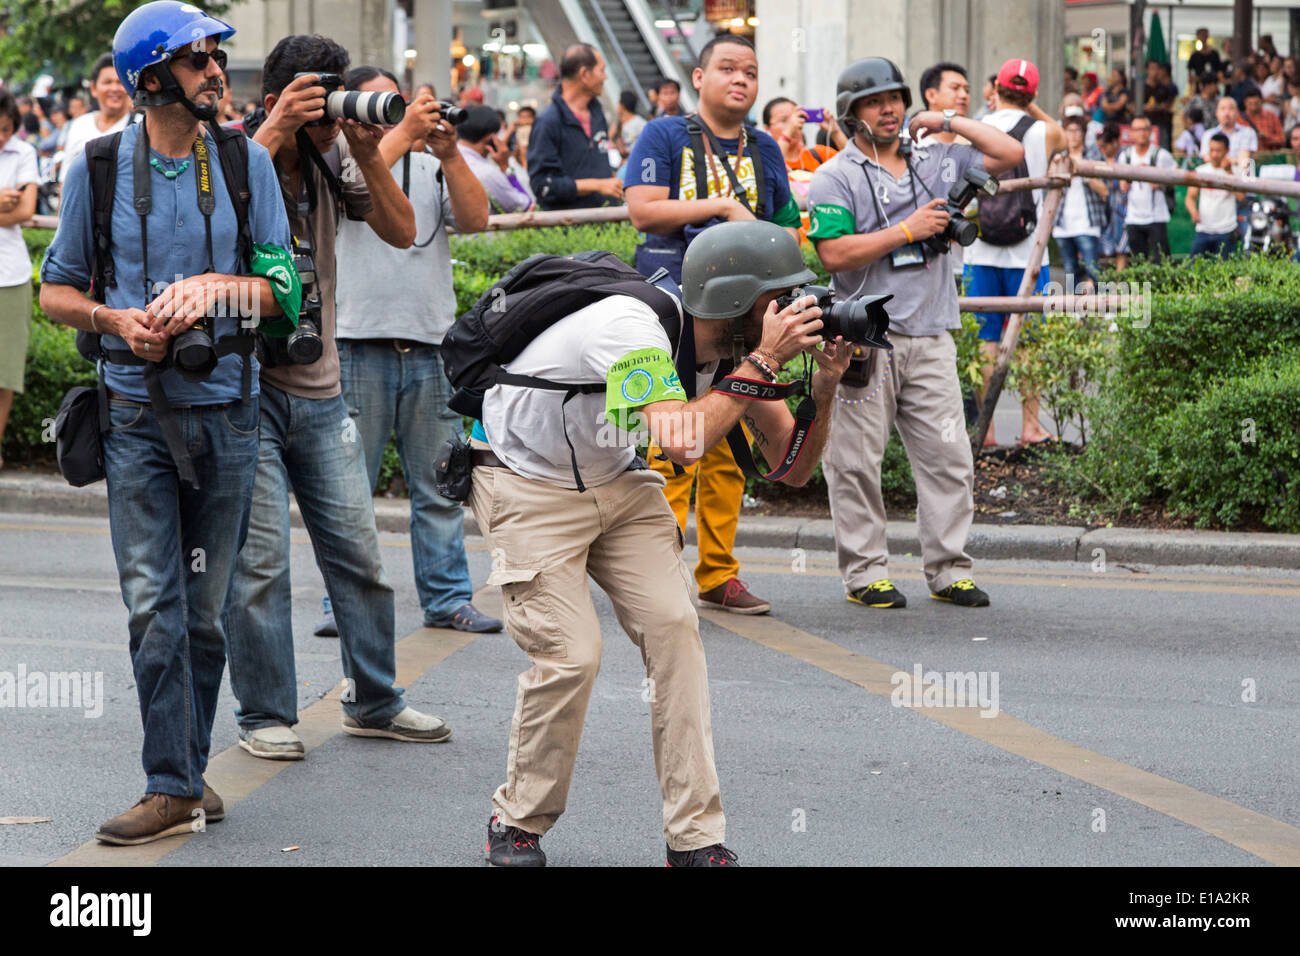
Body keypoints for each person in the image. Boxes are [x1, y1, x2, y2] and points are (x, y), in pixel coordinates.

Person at [466, 219, 853, 866]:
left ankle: (694, 839)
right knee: (572, 654)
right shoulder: (631, 327)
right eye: (778, 299)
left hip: (618, 481)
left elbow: (795, 466)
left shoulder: (734, 352)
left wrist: (824, 386)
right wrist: (765, 361)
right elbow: (680, 439)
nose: (792, 312)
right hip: (526, 484)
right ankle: (516, 820)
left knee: (676, 631)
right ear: (736, 300)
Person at [39, 1, 294, 843]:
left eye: (216, 53)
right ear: (152, 81)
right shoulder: (100, 166)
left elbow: (283, 291)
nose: (216, 70)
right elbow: (57, 291)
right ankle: (172, 780)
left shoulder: (244, 160)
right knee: (155, 605)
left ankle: (183, 775)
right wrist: (118, 323)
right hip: (136, 416)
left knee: (205, 610)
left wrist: (215, 292)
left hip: (229, 411)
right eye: (196, 60)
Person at [224, 33, 448, 762]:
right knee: (258, 568)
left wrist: (359, 141)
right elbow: (220, 220)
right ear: (275, 97)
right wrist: (277, 127)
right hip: (243, 392)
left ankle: (376, 700)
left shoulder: (335, 152)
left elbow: (402, 227)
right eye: (311, 100)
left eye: (329, 98)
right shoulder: (233, 151)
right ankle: (264, 714)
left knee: (358, 556)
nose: (323, 117)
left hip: (319, 388)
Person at [807, 57, 1021, 612]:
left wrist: (946, 120)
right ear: (850, 113)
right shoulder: (837, 175)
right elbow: (832, 252)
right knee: (855, 461)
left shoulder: (937, 158)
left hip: (931, 336)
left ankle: (949, 569)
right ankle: (865, 573)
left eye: (896, 98)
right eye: (875, 102)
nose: (889, 109)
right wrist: (905, 230)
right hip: (863, 338)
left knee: (950, 456)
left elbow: (1009, 154)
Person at [314, 68, 500, 640]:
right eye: (385, 103)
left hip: (429, 346)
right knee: (347, 492)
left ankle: (447, 598)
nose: (394, 112)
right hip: (356, 342)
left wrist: (449, 153)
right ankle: (340, 603)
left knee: (441, 485)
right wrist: (402, 132)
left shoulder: (426, 165)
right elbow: (362, 177)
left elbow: (475, 219)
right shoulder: (333, 159)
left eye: (399, 103)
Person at [625, 33, 802, 615]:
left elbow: (785, 230)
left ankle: (718, 574)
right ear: (698, 78)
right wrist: (723, 209)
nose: (740, 80)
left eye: (750, 71)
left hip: (741, 316)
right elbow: (644, 209)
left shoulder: (766, 147)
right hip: (675, 312)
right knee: (671, 444)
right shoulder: (665, 134)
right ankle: (658, 567)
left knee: (728, 443)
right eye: (726, 68)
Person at [964, 57, 1065, 447]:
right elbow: (1065, 138)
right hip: (1028, 254)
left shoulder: (977, 127)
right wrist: (1033, 107)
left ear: (995, 91)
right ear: (1033, 94)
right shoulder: (1044, 132)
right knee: (1028, 340)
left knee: (985, 340)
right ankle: (1029, 427)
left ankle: (986, 431)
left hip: (981, 250)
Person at [527, 43, 623, 210]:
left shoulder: (597, 114)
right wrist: (596, 185)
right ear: (585, 74)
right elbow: (543, 186)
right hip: (568, 230)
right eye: (602, 70)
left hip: (605, 226)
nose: (605, 77)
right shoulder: (548, 122)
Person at [0, 93, 38, 470]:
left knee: (4, 372)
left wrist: (11, 205)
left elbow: (26, 210)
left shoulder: (23, 154)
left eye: (5, 130)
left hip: (9, 274)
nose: (0, 136)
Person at [761, 95, 843, 238]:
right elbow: (772, 165)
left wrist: (835, 131)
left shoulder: (819, 154)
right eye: (783, 120)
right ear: (767, 128)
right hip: (787, 243)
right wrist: (788, 132)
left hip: (825, 240)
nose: (793, 124)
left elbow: (858, 165)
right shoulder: (763, 158)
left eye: (796, 117)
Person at [1052, 114, 1107, 292]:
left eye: (1077, 131)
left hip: (1087, 222)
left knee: (1093, 269)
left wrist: (1081, 171)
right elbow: (1049, 184)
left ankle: (1103, 312)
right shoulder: (1059, 156)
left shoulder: (1094, 155)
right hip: (1063, 223)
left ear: (1083, 133)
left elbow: (1104, 190)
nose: (1073, 135)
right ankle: (1075, 314)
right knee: (1070, 271)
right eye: (1069, 131)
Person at [60, 53, 133, 181]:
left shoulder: (140, 127)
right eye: (107, 82)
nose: (114, 88)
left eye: (120, 82)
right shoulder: (79, 125)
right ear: (94, 88)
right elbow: (65, 178)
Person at [1118, 115, 1176, 260]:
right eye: (1137, 129)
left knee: (1162, 260)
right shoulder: (1125, 156)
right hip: (1133, 217)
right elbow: (1122, 185)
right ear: (1131, 133)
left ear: (1151, 131)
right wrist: (1130, 178)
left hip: (1156, 215)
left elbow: (1176, 177)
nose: (1141, 133)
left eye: (1145, 129)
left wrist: (1161, 182)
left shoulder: (1161, 155)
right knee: (1138, 261)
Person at [456, 105, 534, 212]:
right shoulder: (487, 173)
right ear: (491, 138)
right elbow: (526, 206)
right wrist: (505, 168)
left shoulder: (443, 159)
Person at [1187, 132, 1246, 259]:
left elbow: (1241, 197)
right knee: (1194, 269)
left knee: (1226, 271)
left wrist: (1229, 172)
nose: (1214, 154)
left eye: (1218, 150)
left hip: (1227, 230)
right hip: (1203, 229)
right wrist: (1193, 212)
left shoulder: (1235, 171)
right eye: (1212, 150)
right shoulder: (1201, 171)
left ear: (1227, 151)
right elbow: (1190, 197)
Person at [1096, 122, 1129, 270]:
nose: (1102, 150)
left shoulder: (1126, 157)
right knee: (1104, 246)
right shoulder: (1098, 159)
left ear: (1115, 142)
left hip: (1122, 208)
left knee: (1122, 247)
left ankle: (1118, 281)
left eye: (1105, 146)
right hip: (1103, 208)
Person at [1202, 95, 1259, 161]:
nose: (1226, 113)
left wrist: (1226, 164)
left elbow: (1245, 159)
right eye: (1222, 109)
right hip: (1214, 171)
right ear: (1216, 113)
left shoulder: (1248, 132)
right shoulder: (1208, 135)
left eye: (1231, 108)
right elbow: (1207, 158)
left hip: (1238, 170)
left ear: (1237, 113)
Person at [1144, 61, 1178, 148]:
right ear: (1147, 70)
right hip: (1146, 124)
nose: (1155, 71)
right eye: (1152, 68)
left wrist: (1155, 107)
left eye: (1157, 68)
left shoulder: (1165, 88)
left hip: (1161, 125)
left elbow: (1168, 106)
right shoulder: (1141, 87)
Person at [615, 90, 646, 155]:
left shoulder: (639, 122)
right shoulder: (621, 122)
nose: (617, 106)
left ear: (622, 106)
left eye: (618, 103)